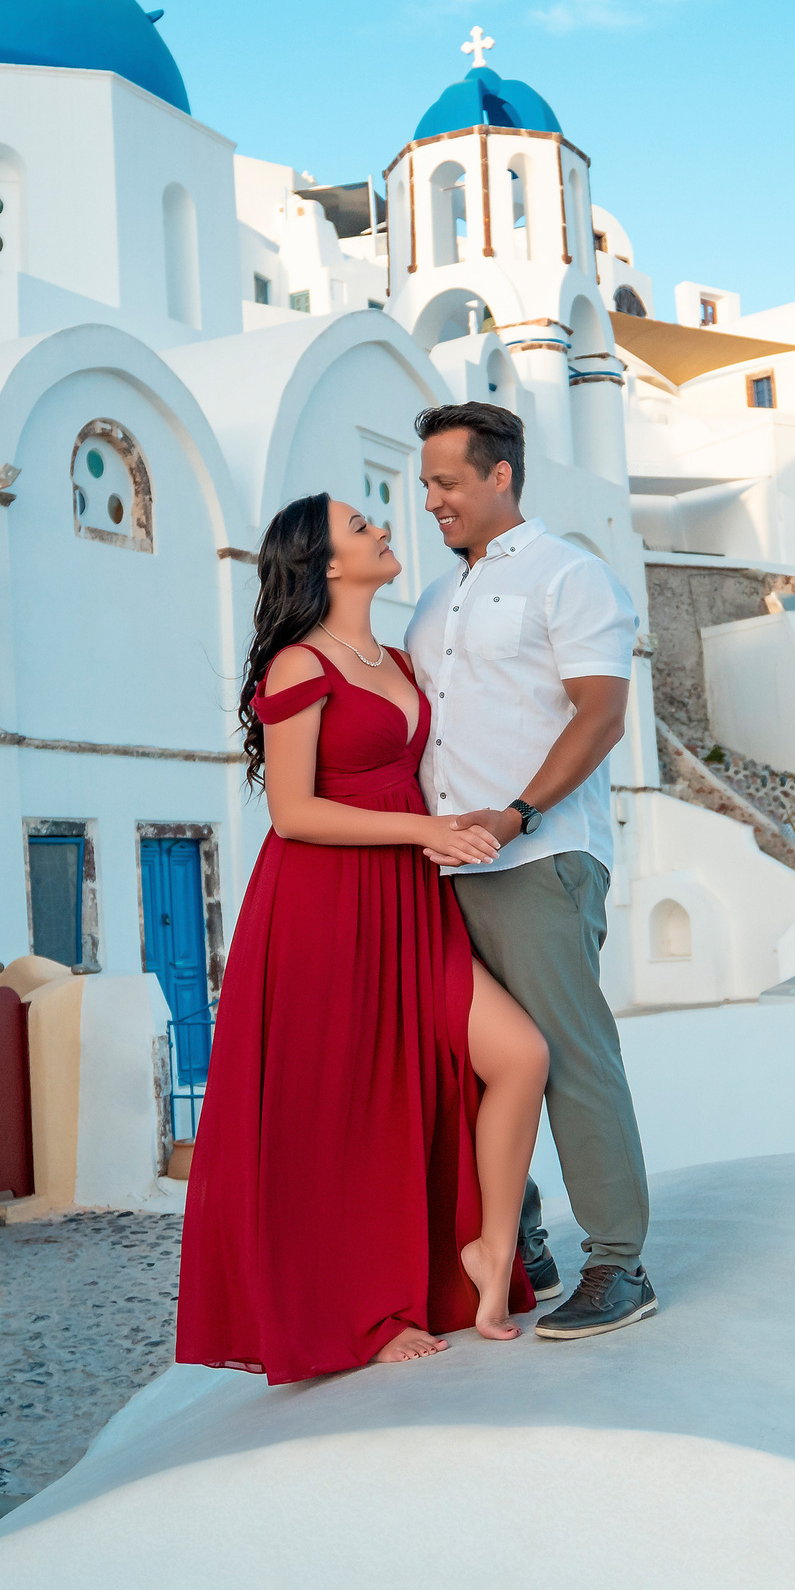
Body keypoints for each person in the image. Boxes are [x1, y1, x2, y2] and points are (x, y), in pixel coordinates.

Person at [175, 493, 548, 1382]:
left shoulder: (399, 658)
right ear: (327, 563)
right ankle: (365, 1309)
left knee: (521, 1055)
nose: (382, 528)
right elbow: (294, 812)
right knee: (348, 1111)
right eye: (358, 526)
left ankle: (491, 1250)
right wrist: (425, 830)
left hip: (410, 905)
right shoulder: (295, 664)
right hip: (323, 907)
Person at [406, 402, 659, 1340]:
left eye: (447, 482)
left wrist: (518, 814)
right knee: (480, 1067)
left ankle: (619, 1262)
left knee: (571, 1055)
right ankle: (526, 1243)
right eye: (426, 484)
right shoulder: (434, 599)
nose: (431, 501)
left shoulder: (568, 575)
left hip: (541, 857)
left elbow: (601, 714)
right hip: (446, 871)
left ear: (500, 474)